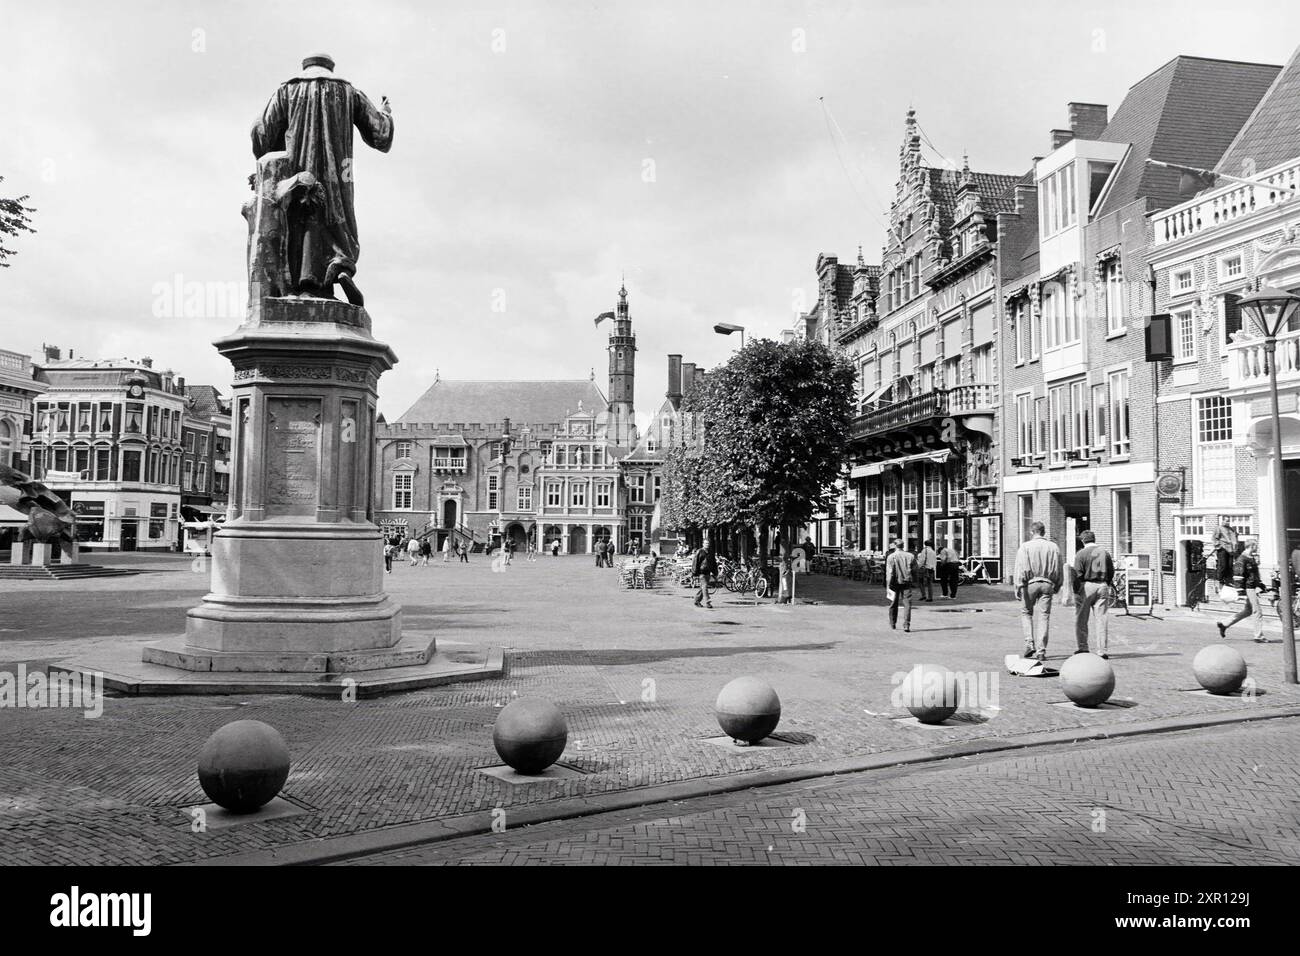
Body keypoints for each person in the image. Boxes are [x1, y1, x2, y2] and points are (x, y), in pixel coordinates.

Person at [1013, 521, 1063, 661]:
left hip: (1030, 584)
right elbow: (1059, 568)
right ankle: (1041, 651)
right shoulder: (1054, 547)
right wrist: (1058, 585)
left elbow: (1020, 568)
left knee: (1026, 613)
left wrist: (1018, 586)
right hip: (1047, 584)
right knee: (1044, 616)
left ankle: (1030, 643)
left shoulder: (1025, 547)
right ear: (1044, 532)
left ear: (1031, 532)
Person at [1072, 530, 1114, 658]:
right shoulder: (1104, 553)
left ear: (1083, 540)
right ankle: (1102, 650)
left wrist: (1076, 590)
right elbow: (1111, 571)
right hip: (1102, 585)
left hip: (1087, 586)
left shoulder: (1081, 554)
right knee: (1101, 619)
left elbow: (1077, 574)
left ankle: (1083, 647)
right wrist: (1107, 582)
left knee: (1081, 619)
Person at [1219, 540, 1266, 644]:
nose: (1257, 547)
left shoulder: (1251, 558)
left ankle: (1224, 624)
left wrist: (1260, 584)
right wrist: (1241, 592)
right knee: (1257, 611)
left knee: (1248, 611)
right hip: (1249, 588)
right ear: (1252, 546)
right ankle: (1258, 636)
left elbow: (1254, 574)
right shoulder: (1242, 559)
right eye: (1256, 546)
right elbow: (1238, 575)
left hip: (1252, 587)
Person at [885, 538, 916, 632]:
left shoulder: (891, 557)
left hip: (894, 582)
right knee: (907, 604)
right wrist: (914, 580)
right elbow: (915, 569)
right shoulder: (910, 556)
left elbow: (889, 573)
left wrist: (887, 585)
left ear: (895, 545)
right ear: (903, 545)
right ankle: (906, 625)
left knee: (893, 603)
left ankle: (893, 623)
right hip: (907, 582)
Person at [693, 538, 718, 609]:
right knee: (705, 586)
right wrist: (694, 573)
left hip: (708, 572)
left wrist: (715, 572)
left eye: (708, 543)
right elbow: (695, 562)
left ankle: (697, 600)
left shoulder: (710, 552)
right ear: (703, 544)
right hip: (701, 573)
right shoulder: (699, 552)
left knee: (703, 587)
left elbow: (713, 563)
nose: (707, 544)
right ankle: (708, 602)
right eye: (706, 543)